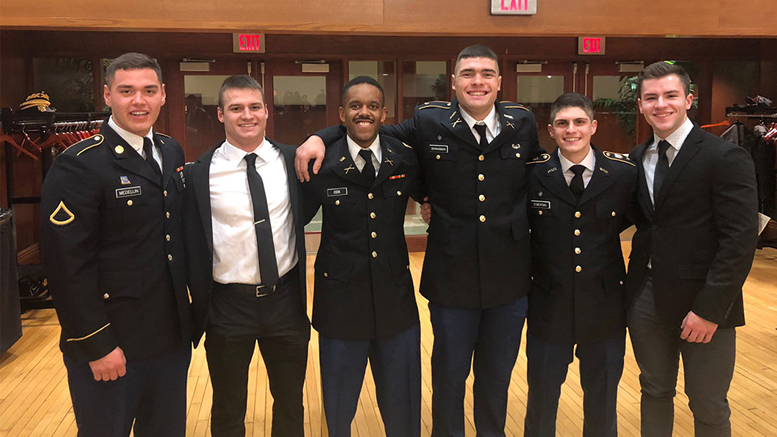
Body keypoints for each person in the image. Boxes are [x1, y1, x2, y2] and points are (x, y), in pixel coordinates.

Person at [296, 45, 543, 437]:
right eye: (467, 73)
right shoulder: (430, 121)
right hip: (451, 276)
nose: (476, 81)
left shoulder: (522, 122)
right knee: (448, 378)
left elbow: (542, 174)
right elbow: (369, 127)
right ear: (454, 83)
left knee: (496, 379)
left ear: (499, 82)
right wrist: (319, 136)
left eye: (485, 73)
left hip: (508, 276)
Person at [39, 52, 190, 437]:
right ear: (107, 95)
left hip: (168, 340)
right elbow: (66, 264)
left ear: (163, 95)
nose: (138, 101)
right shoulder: (80, 164)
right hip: (112, 344)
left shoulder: (170, 150)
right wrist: (96, 343)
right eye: (126, 91)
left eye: (148, 90)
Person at [626, 61, 758, 437]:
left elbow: (739, 241)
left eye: (670, 95)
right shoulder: (638, 159)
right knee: (653, 390)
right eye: (651, 97)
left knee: (708, 404)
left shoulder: (725, 157)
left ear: (689, 99)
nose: (660, 104)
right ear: (640, 105)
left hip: (705, 303)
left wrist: (709, 310)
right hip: (647, 299)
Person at [182, 75, 309, 437]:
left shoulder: (291, 161)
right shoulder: (199, 174)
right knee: (227, 405)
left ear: (267, 112)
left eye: (254, 107)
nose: (247, 115)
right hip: (226, 306)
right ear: (220, 115)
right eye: (236, 108)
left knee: (290, 402)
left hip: (285, 301)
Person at [301, 75, 422, 436]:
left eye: (372, 106)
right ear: (342, 113)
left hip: (394, 300)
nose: (363, 112)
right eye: (355, 106)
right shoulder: (320, 163)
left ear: (384, 113)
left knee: (404, 407)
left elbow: (437, 193)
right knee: (339, 411)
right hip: (340, 304)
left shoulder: (405, 159)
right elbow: (293, 221)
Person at [523, 93, 636, 437]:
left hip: (603, 307)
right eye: (562, 123)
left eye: (579, 122)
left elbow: (643, 223)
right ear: (551, 130)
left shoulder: (622, 173)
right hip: (548, 304)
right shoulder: (531, 174)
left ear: (593, 126)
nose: (571, 130)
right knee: (542, 401)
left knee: (602, 401)